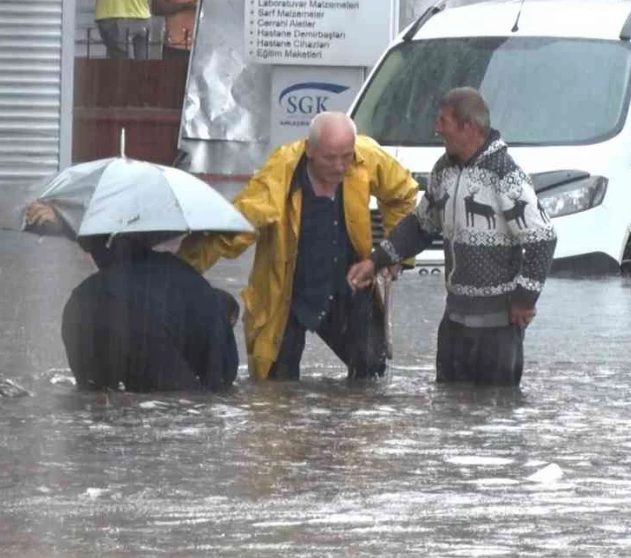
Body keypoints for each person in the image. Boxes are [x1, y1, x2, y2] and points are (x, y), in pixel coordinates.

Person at [176, 112, 419, 382]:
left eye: (346, 157)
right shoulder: (280, 173)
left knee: (373, 378)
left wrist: (392, 252)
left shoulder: (366, 156)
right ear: (310, 149)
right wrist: (180, 271)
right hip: (288, 296)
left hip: (349, 288)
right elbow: (234, 228)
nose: (340, 166)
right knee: (275, 390)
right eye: (330, 158)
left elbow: (404, 194)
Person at [347, 88, 557, 387]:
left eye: (443, 121)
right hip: (454, 323)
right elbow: (421, 225)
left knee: (496, 415)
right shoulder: (443, 171)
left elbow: (543, 239)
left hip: (498, 329)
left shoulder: (505, 175)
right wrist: (377, 260)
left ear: (468, 127)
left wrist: (524, 300)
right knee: (449, 413)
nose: (437, 128)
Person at [59, 233, 241, 392]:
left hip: (77, 311)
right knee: (180, 401)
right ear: (230, 319)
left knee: (94, 398)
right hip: (135, 322)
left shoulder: (178, 280)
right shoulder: (215, 316)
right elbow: (223, 378)